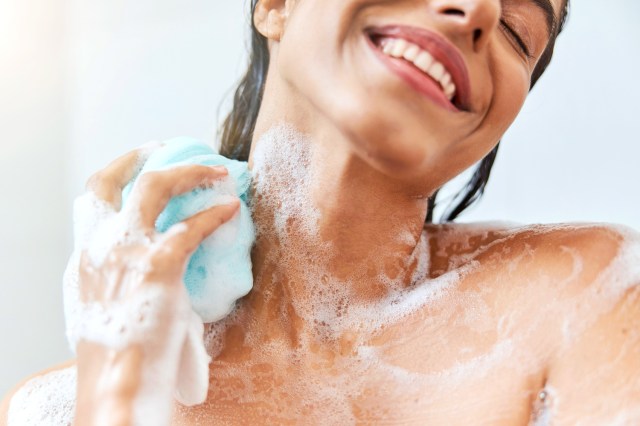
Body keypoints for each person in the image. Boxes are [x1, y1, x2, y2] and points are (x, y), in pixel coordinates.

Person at [2, 0, 639, 424]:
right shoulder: (49, 407)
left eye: (517, 30)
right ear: (276, 5)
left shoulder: (588, 299)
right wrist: (116, 395)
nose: (477, 9)